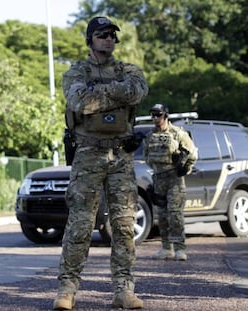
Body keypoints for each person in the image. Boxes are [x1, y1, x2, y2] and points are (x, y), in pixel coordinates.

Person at [54, 16, 149, 310]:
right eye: (102, 34)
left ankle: (124, 289)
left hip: (120, 155)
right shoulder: (76, 72)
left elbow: (138, 90)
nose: (109, 38)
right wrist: (116, 94)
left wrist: (101, 94)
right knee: (80, 225)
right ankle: (67, 290)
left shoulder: (128, 70)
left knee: (123, 225)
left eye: (112, 34)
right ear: (90, 39)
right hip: (88, 154)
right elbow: (79, 101)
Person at [143, 104, 198, 261]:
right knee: (162, 215)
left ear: (165, 116)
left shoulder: (178, 133)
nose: (155, 118)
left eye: (158, 115)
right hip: (158, 178)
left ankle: (180, 249)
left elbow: (192, 153)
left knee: (175, 214)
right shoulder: (149, 136)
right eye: (152, 115)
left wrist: (185, 167)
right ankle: (167, 248)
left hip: (174, 178)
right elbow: (147, 156)